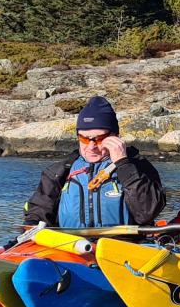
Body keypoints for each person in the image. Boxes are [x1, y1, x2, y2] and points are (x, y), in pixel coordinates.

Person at [24, 96, 165, 228]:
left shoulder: (139, 167)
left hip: (125, 246)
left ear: (115, 136)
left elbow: (147, 213)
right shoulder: (58, 172)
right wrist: (32, 225)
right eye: (84, 139)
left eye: (99, 139)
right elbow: (37, 213)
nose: (91, 147)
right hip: (72, 246)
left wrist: (123, 164)